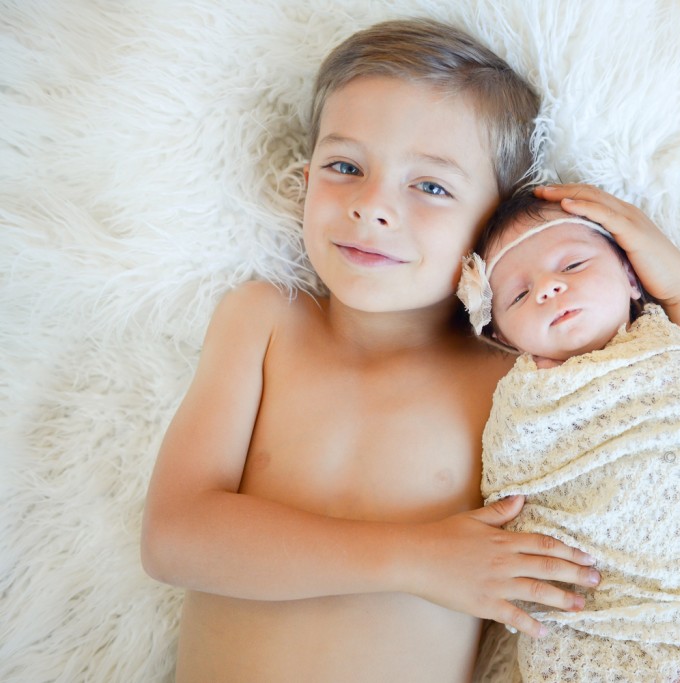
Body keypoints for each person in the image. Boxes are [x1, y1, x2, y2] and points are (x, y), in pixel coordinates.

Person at [140, 19, 604, 683]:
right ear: (305, 178)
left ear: (495, 220)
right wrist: (417, 559)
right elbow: (175, 537)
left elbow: (674, 434)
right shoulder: (267, 320)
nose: (372, 206)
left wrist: (671, 279)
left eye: (432, 186)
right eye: (346, 167)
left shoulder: (509, 376)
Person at [457, 190, 680, 682]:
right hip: (581, 625)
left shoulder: (672, 351)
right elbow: (516, 500)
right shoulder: (524, 403)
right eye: (519, 295)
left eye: (574, 265)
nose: (548, 289)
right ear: (503, 336)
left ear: (630, 277)